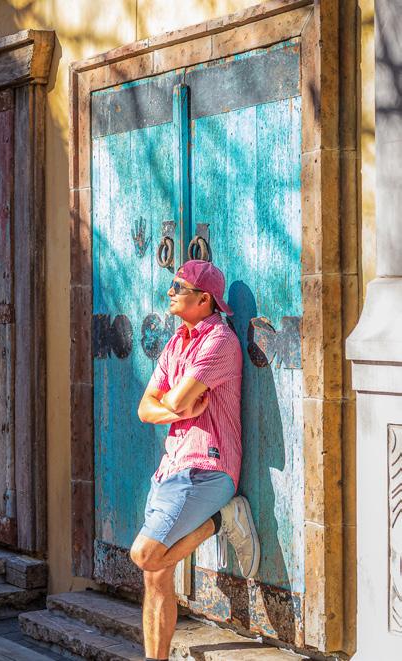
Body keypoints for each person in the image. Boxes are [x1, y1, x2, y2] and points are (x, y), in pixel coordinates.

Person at [130, 259, 260, 661]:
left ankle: (224, 519)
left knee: (146, 555)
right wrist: (175, 410)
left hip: (207, 469)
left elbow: (175, 398)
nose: (170, 293)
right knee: (157, 577)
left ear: (204, 299)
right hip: (170, 470)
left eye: (178, 287)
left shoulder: (219, 342)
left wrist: (173, 405)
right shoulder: (176, 344)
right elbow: (145, 408)